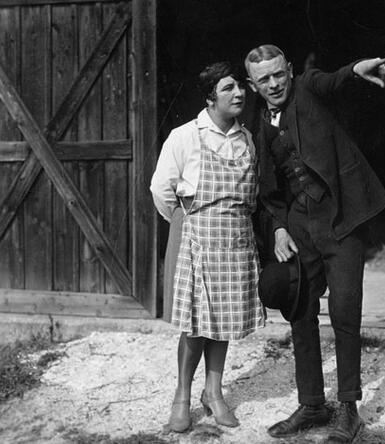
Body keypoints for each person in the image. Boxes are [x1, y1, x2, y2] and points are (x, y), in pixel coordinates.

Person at [245, 45, 385, 443]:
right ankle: (312, 404)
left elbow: (332, 80)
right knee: (299, 307)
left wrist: (355, 69)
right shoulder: (257, 122)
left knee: (345, 309)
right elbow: (265, 187)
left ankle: (348, 408)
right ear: (253, 85)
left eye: (279, 74)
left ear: (289, 70)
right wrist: (278, 228)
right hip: (299, 226)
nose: (274, 84)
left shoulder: (307, 87)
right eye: (264, 79)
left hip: (341, 217)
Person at [150, 61, 264, 433]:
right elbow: (161, 191)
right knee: (196, 326)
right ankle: (182, 396)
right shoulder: (185, 136)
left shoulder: (246, 139)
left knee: (225, 321)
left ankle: (213, 393)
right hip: (198, 242)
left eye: (239, 87)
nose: (239, 93)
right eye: (229, 88)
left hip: (236, 243)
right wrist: (185, 226)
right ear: (210, 96)